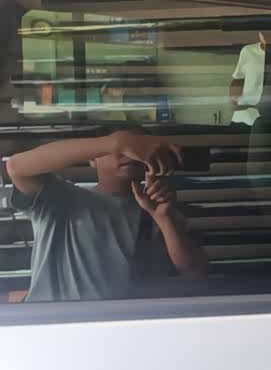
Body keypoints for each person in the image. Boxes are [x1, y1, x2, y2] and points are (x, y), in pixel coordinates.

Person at [6, 127, 208, 302]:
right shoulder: (59, 199)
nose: (128, 155)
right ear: (92, 158)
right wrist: (116, 143)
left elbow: (195, 272)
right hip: (53, 326)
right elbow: (16, 167)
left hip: (119, 327)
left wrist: (165, 219)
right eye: (121, 150)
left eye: (138, 151)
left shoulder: (161, 211)